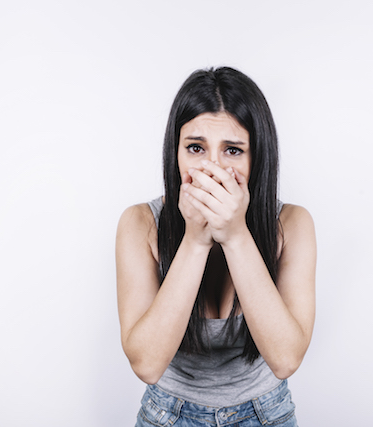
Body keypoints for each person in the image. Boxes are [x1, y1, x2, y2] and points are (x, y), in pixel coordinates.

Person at [115, 67, 316, 427]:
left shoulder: (293, 225)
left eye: (233, 151)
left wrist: (236, 235)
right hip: (168, 414)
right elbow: (146, 364)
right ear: (174, 154)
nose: (212, 169)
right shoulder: (140, 224)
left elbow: (286, 359)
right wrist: (195, 240)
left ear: (257, 160)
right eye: (196, 148)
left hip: (266, 414)